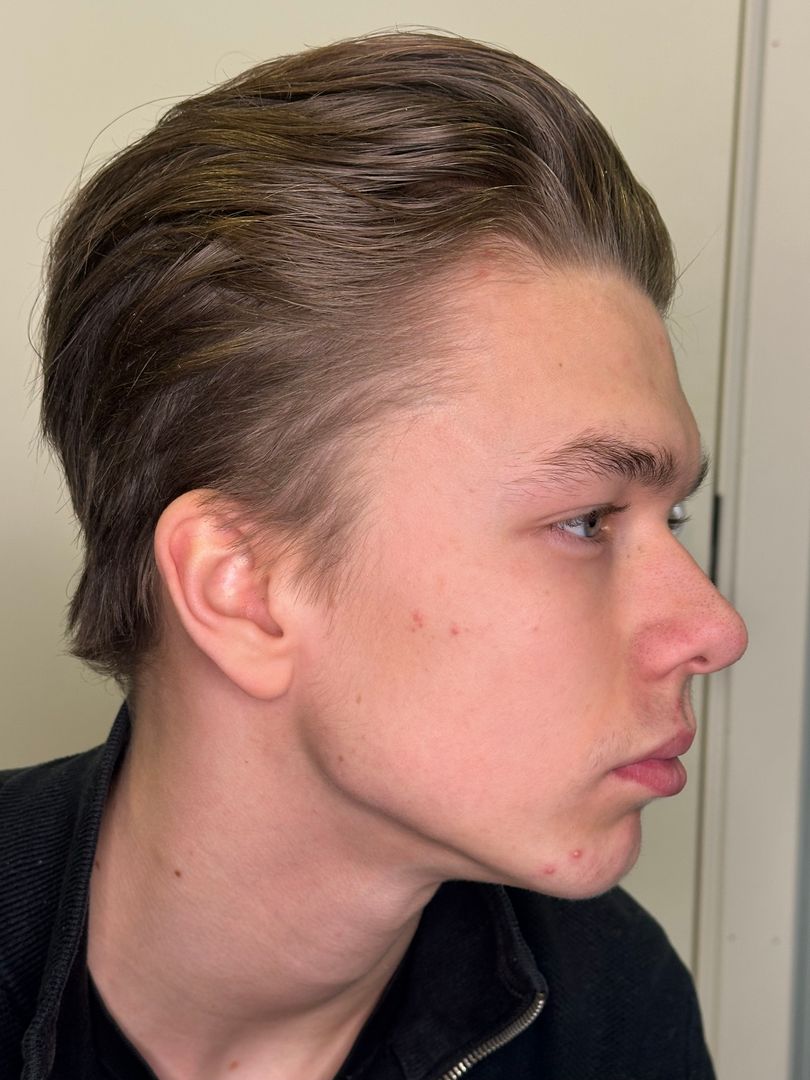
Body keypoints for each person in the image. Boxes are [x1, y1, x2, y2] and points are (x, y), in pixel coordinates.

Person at [1, 30, 748, 1080]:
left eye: (671, 520)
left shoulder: (609, 1007)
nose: (715, 629)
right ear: (243, 587)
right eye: (587, 520)